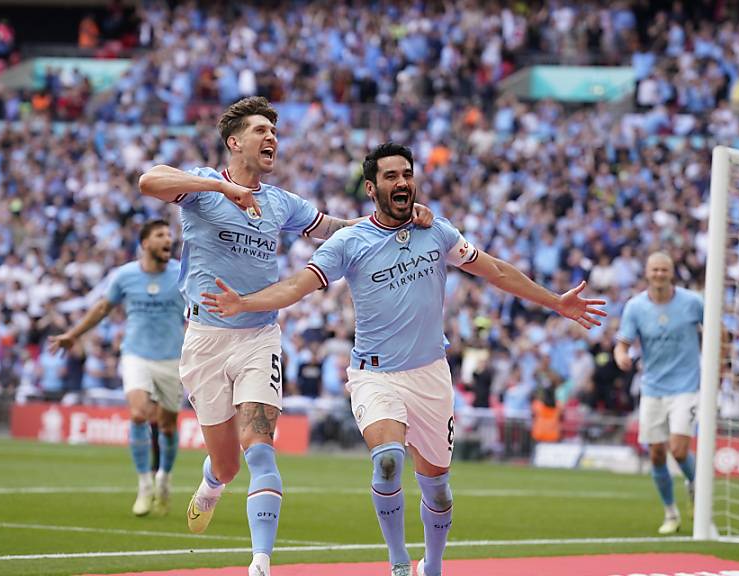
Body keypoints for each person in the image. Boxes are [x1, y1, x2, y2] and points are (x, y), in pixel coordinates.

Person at [201, 142, 606, 576]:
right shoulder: (348, 242)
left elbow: (495, 270)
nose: (403, 182)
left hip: (431, 374)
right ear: (372, 189)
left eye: (407, 174)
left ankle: (431, 565)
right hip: (375, 375)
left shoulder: (438, 230)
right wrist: (245, 303)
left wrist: (554, 302)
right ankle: (397, 562)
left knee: (439, 490)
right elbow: (297, 286)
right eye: (392, 176)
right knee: (389, 460)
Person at [138, 98, 433, 576]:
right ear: (234, 142)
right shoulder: (200, 188)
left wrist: (399, 218)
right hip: (204, 339)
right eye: (260, 130)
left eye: (273, 131)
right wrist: (218, 187)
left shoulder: (281, 202)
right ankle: (213, 482)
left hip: (258, 337)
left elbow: (333, 229)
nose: (271, 138)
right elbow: (149, 181)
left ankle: (259, 563)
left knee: (261, 449)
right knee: (229, 465)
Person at [48, 220, 184, 518]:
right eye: (161, 235)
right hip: (136, 354)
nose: (168, 241)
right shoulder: (125, 276)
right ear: (145, 243)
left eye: (170, 237)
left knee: (167, 425)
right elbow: (101, 308)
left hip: (172, 359)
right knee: (137, 414)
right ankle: (144, 484)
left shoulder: (182, 272)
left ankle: (164, 478)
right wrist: (73, 334)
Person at [614, 251, 703, 535]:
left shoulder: (692, 302)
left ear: (672, 272)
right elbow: (622, 342)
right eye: (655, 270)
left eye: (664, 270)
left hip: (686, 386)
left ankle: (696, 487)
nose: (659, 274)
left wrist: (719, 363)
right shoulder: (635, 307)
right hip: (652, 387)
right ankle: (670, 513)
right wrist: (621, 355)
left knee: (678, 449)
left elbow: (719, 331)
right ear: (647, 273)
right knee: (655, 455)